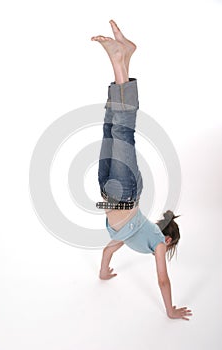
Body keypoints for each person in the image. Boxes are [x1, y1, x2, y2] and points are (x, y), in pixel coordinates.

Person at [91, 20, 192, 321]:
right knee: (122, 132)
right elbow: (162, 280)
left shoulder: (127, 238)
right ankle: (118, 60)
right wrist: (170, 310)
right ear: (169, 240)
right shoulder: (158, 243)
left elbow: (108, 251)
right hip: (126, 191)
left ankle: (125, 56)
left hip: (107, 190)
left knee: (110, 127)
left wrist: (103, 271)